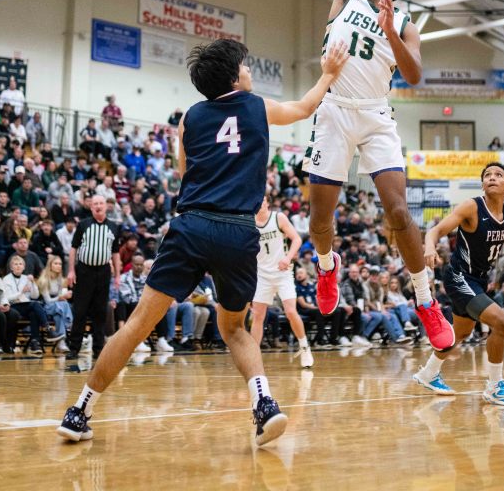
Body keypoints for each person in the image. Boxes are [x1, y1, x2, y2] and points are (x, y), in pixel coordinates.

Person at [58, 37, 347, 446]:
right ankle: (264, 404)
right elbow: (303, 108)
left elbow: (184, 175)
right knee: (235, 329)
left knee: (139, 323)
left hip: (192, 224)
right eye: (245, 66)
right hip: (236, 230)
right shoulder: (256, 106)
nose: (249, 71)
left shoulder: (189, 118)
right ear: (235, 75)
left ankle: (79, 410)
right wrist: (329, 74)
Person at [305, 0, 454, 352]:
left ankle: (427, 302)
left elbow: (411, 74)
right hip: (333, 111)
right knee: (319, 219)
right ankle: (327, 267)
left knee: (398, 211)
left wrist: (390, 30)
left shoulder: (406, 21)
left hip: (375, 116)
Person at [413, 162, 504, 403]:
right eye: (487, 175)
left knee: (460, 332)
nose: (492, 177)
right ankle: (494, 386)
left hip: (478, 280)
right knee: (501, 322)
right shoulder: (471, 207)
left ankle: (428, 373)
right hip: (459, 276)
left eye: (498, 175)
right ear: (483, 184)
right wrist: (429, 247)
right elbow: (435, 231)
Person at [248, 197, 313, 368]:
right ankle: (253, 356)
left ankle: (305, 347)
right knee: (258, 316)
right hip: (262, 275)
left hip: (282, 273)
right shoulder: (249, 223)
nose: (259, 204)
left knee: (291, 312)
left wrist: (288, 257)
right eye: (256, 201)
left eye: (262, 201)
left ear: (267, 203)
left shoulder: (278, 218)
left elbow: (297, 239)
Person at [65, 196, 120, 362]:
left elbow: (115, 253)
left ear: (106, 207)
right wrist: (71, 271)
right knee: (80, 311)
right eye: (95, 204)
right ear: (91, 208)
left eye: (101, 203)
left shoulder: (113, 227)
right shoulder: (83, 225)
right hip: (84, 271)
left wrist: (117, 275)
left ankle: (98, 349)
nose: (98, 206)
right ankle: (74, 348)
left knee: (100, 312)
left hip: (103, 272)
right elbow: (73, 249)